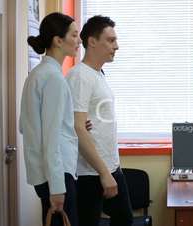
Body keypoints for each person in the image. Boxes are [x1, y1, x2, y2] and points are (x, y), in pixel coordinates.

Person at [66, 15, 133, 226]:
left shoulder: (98, 74)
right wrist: (104, 173)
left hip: (110, 166)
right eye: (111, 40)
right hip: (90, 172)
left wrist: (111, 169)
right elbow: (78, 127)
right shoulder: (79, 76)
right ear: (92, 42)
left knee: (124, 219)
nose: (117, 46)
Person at [19, 12, 81, 226]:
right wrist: (57, 188)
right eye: (74, 35)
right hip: (57, 175)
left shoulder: (37, 74)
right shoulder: (54, 78)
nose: (79, 40)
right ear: (58, 40)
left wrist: (67, 125)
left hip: (46, 173)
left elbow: (24, 125)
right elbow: (52, 137)